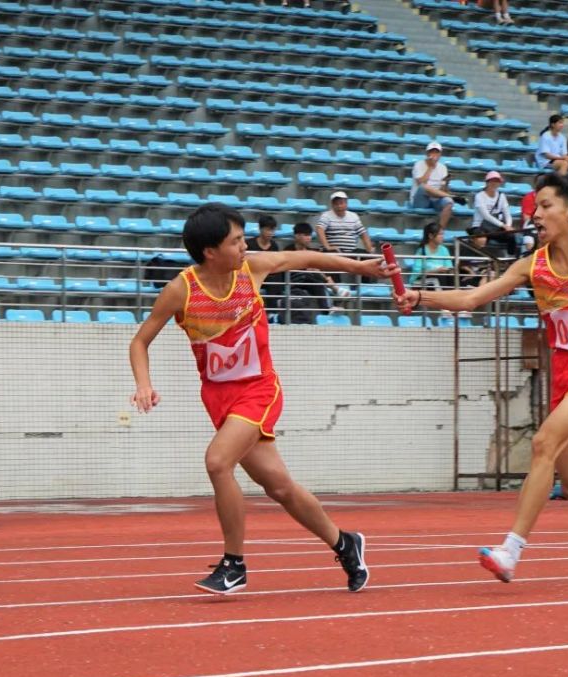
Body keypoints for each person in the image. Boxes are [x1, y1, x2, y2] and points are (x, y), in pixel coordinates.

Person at [392, 173, 568, 585]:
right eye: (534, 207)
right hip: (567, 374)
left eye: (545, 206)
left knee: (543, 443)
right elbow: (472, 298)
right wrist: (421, 297)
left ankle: (511, 550)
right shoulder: (531, 266)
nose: (536, 214)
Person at [129, 203, 396, 594]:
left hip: (259, 389)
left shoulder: (251, 268)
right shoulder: (180, 290)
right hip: (220, 398)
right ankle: (345, 543)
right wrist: (143, 384)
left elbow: (303, 256)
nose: (244, 246)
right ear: (210, 251)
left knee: (218, 462)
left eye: (243, 239)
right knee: (280, 488)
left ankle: (234, 565)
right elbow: (140, 341)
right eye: (236, 241)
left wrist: (362, 268)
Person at [410, 141, 454, 231]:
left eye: (436, 152)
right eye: (432, 151)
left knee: (449, 202)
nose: (434, 154)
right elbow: (420, 183)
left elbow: (442, 189)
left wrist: (446, 183)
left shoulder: (443, 168)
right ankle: (451, 196)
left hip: (436, 198)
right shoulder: (418, 165)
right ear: (427, 153)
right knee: (423, 187)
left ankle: (439, 231)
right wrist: (430, 167)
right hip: (421, 200)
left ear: (440, 154)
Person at [316, 191, 374, 257]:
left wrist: (369, 248)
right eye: (336, 203)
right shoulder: (326, 215)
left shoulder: (353, 216)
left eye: (341, 203)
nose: (339, 205)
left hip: (350, 252)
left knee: (367, 255)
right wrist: (327, 247)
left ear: (346, 203)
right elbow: (319, 229)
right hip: (334, 252)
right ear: (332, 204)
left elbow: (363, 233)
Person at [473, 170, 516, 256]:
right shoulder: (479, 196)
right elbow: (486, 216)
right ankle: (479, 261)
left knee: (512, 237)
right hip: (480, 226)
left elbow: (507, 213)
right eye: (492, 181)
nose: (494, 183)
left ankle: (511, 259)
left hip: (496, 228)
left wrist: (508, 225)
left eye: (497, 181)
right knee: (482, 239)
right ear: (487, 182)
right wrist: (503, 226)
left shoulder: (501, 196)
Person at [246, 214, 282, 311]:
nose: (270, 233)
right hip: (253, 275)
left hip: (269, 276)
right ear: (260, 229)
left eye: (272, 230)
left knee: (276, 280)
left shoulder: (274, 246)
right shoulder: (249, 244)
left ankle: (273, 312)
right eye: (268, 229)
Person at [412, 221, 455, 290]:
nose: (442, 237)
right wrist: (436, 271)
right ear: (431, 236)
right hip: (422, 280)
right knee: (438, 278)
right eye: (440, 234)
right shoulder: (422, 251)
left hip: (441, 278)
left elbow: (449, 266)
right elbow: (418, 273)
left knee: (452, 278)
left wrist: (449, 270)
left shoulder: (444, 250)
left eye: (443, 234)